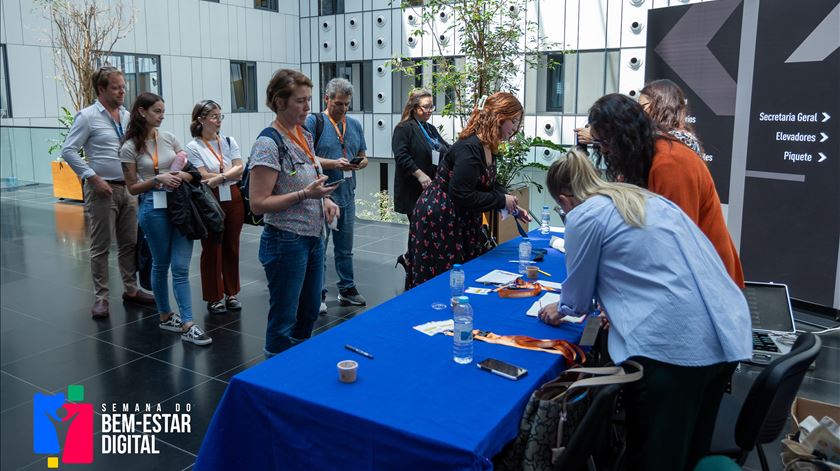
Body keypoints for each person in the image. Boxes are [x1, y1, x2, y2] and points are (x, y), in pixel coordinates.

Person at [537, 150, 751, 471]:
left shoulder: (584, 215)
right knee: (690, 455)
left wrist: (560, 307)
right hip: (722, 338)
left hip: (672, 351)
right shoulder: (639, 198)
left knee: (654, 459)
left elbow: (577, 301)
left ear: (565, 201)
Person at [588, 93, 744, 287]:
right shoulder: (644, 158)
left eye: (606, 142)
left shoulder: (670, 163)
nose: (603, 151)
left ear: (625, 136)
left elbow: (675, 246)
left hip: (707, 282)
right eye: (599, 143)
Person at [249, 69, 340, 357]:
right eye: (300, 101)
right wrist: (305, 194)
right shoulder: (267, 143)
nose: (307, 107)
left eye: (309, 100)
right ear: (279, 102)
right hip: (286, 239)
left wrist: (323, 201)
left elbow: (310, 175)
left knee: (310, 310)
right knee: (284, 318)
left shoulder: (304, 134)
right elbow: (258, 203)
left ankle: (298, 367)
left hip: (313, 236)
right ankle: (274, 382)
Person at [407, 92, 530, 288]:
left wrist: (510, 202)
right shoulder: (470, 148)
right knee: (440, 281)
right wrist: (500, 201)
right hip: (441, 218)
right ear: (499, 118)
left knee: (461, 277)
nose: (515, 129)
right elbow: (462, 194)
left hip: (459, 217)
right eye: (514, 122)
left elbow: (487, 183)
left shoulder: (488, 146)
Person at [60, 65, 155, 318]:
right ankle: (101, 297)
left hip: (129, 189)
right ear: (101, 89)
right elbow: (68, 150)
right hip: (103, 189)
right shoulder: (87, 116)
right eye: (116, 87)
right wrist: (91, 177)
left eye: (124, 86)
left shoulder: (126, 117)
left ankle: (131, 289)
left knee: (129, 244)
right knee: (101, 246)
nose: (122, 91)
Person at [119, 92, 212, 346]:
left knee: (181, 267)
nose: (161, 116)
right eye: (157, 111)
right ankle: (165, 315)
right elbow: (132, 188)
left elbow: (192, 172)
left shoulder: (170, 138)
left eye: (163, 111)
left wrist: (181, 176)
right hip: (153, 206)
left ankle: (189, 322)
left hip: (180, 206)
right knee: (161, 263)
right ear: (141, 112)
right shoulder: (129, 148)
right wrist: (156, 179)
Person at [304, 78, 368, 309]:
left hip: (347, 194)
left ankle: (347, 288)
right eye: (338, 103)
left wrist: (360, 163)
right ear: (327, 99)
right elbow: (307, 158)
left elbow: (362, 153)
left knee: (345, 248)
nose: (343, 109)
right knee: (319, 247)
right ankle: (317, 293)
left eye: (347, 104)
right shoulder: (314, 122)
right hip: (322, 195)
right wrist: (334, 164)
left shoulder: (354, 125)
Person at [186, 100, 245, 315]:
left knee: (232, 245)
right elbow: (202, 176)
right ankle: (213, 297)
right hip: (209, 199)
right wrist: (228, 175)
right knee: (212, 247)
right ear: (201, 119)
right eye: (214, 116)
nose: (219, 120)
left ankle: (231, 293)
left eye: (220, 116)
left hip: (234, 197)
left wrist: (219, 177)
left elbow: (241, 169)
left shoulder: (229, 141)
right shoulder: (194, 147)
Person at [392, 88, 450, 274]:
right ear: (414, 107)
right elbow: (401, 156)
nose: (430, 110)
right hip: (413, 188)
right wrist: (419, 174)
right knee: (418, 228)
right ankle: (413, 262)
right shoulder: (404, 128)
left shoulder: (430, 128)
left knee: (425, 228)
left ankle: (413, 259)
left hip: (431, 188)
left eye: (432, 106)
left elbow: (446, 149)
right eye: (426, 107)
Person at [639, 79, 706, 158]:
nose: (639, 111)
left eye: (642, 106)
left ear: (660, 106)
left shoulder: (677, 141)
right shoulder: (664, 139)